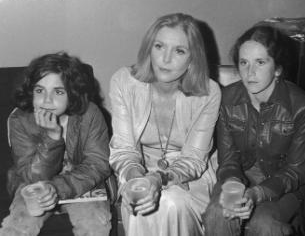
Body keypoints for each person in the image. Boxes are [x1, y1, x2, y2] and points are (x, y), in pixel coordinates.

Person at [109, 13, 221, 236]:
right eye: (159, 46)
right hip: (138, 169)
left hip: (189, 176)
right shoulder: (123, 82)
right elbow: (123, 150)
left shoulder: (208, 92)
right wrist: (136, 180)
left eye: (179, 51)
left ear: (193, 58)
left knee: (172, 202)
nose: (165, 58)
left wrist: (157, 179)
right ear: (149, 48)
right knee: (140, 205)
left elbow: (193, 160)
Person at [203, 25, 305, 236]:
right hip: (240, 175)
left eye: (260, 62)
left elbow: (296, 171)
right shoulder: (227, 98)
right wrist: (234, 183)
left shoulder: (301, 105)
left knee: (264, 224)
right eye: (244, 63)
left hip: (283, 184)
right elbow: (228, 161)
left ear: (278, 68)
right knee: (218, 214)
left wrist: (256, 194)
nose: (249, 72)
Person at [0, 52, 112, 236]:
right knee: (16, 227)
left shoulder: (90, 114)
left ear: (72, 93)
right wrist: (52, 137)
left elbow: (98, 164)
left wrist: (56, 188)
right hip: (32, 184)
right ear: (30, 92)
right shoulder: (19, 119)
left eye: (58, 91)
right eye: (39, 90)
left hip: (83, 184)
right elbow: (32, 176)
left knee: (95, 226)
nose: (46, 100)